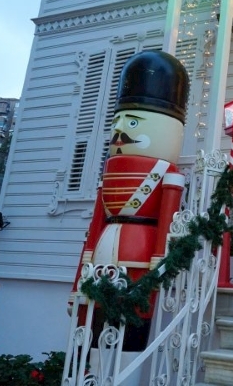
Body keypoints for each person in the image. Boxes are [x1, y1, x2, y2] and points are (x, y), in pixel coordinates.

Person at [72, 49, 189, 352]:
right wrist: (83, 267)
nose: (120, 131)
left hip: (139, 249)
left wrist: (159, 258)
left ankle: (125, 365)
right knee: (94, 320)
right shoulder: (111, 169)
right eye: (119, 121)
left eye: (133, 123)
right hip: (104, 248)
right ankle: (92, 363)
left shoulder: (167, 173)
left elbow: (166, 219)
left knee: (133, 321)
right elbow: (98, 217)